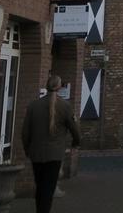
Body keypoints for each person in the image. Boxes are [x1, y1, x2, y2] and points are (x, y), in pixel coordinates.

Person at [22, 75, 80, 213]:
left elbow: (25, 132)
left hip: (36, 153)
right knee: (48, 187)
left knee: (40, 186)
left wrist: (27, 149)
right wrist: (75, 143)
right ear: (59, 87)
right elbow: (74, 129)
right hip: (54, 154)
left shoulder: (33, 106)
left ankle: (40, 210)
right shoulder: (65, 106)